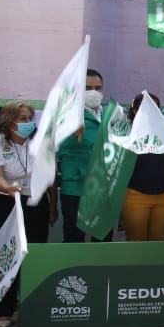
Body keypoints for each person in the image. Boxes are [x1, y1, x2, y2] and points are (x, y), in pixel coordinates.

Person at [0, 101, 55, 326]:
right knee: (8, 256)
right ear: (8, 121)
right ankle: (4, 309)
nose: (27, 122)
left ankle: (31, 305)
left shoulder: (41, 143)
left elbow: (51, 176)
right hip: (6, 202)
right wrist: (7, 187)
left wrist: (53, 206)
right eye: (21, 118)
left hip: (36, 202)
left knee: (34, 253)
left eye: (29, 118)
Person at [57, 68, 108, 242]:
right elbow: (54, 143)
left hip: (103, 188)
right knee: (74, 239)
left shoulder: (109, 114)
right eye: (88, 87)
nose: (93, 92)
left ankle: (99, 270)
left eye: (98, 88)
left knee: (102, 240)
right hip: (76, 188)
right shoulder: (67, 114)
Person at [121, 93, 164, 242]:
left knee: (159, 240)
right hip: (135, 194)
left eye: (155, 108)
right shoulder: (125, 132)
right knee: (136, 241)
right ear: (135, 110)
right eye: (148, 107)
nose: (152, 111)